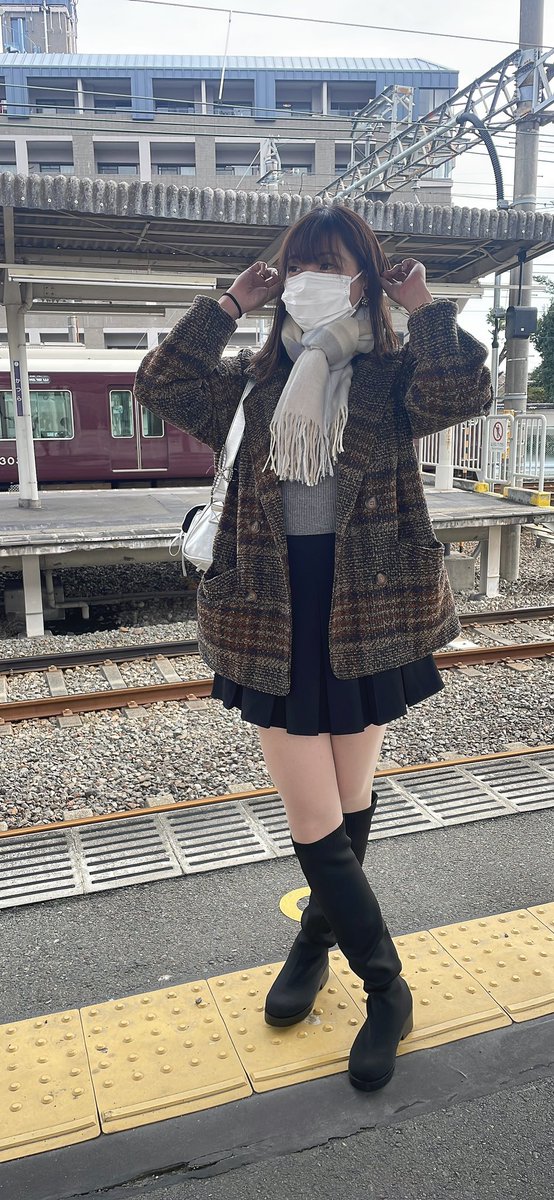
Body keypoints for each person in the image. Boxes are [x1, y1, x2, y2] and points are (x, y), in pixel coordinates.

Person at [134, 206, 492, 1093]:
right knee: (314, 817)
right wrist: (228, 304)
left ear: (362, 279)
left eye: (328, 265)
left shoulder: (393, 377)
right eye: (298, 266)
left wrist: (426, 308)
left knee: (349, 802)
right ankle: (386, 988)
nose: (308, 280)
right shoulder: (253, 385)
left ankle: (312, 942)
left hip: (373, 608)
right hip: (270, 611)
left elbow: (463, 395)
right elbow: (160, 381)